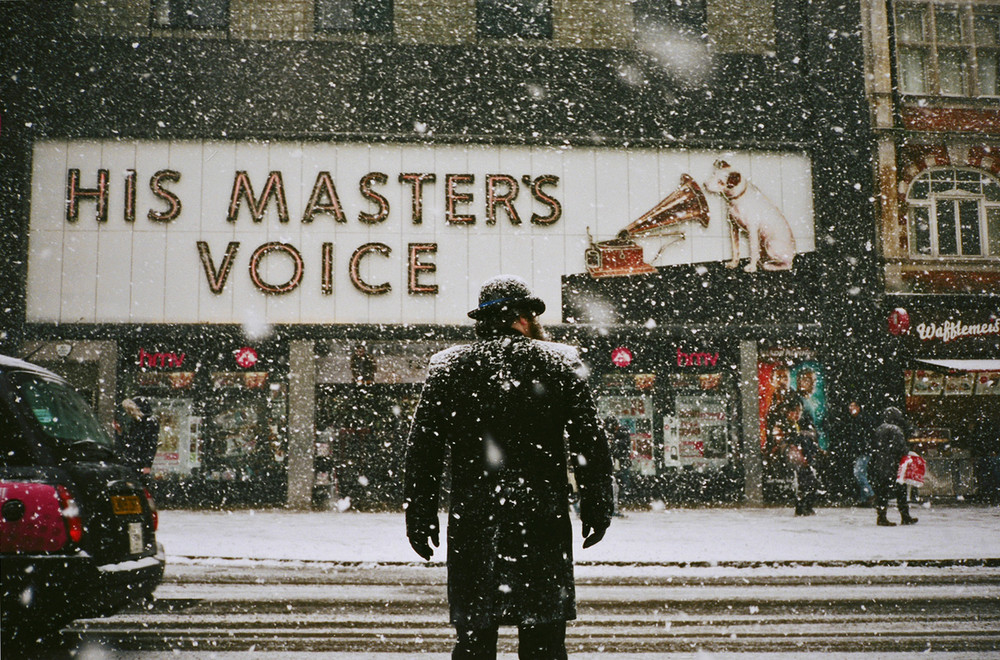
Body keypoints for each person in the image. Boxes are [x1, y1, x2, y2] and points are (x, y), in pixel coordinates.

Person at [404, 275, 614, 660]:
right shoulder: (561, 362)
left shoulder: (449, 367)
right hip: (542, 521)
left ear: (482, 323)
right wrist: (597, 503)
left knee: (474, 642)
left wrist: (420, 512)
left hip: (475, 522)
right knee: (544, 643)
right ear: (524, 317)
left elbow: (424, 449)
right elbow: (590, 442)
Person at [868, 406, 917, 527]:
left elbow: (872, 446)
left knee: (882, 493)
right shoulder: (896, 430)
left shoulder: (879, 429)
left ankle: (882, 516)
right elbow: (900, 448)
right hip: (893, 465)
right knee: (901, 491)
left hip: (880, 464)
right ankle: (905, 516)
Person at [773, 395, 822, 516]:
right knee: (801, 482)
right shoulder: (783, 425)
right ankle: (801, 506)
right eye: (794, 411)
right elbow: (781, 442)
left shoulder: (803, 424)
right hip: (793, 460)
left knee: (810, 481)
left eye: (799, 411)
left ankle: (806, 505)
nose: (797, 414)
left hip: (804, 458)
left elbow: (813, 435)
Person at [116, 397, 160, 475]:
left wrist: (147, 465)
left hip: (138, 460)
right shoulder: (137, 422)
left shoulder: (148, 422)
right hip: (134, 460)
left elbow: (151, 444)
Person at [842, 401, 875, 506]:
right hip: (862, 450)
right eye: (850, 406)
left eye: (853, 406)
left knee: (858, 473)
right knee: (861, 473)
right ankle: (864, 498)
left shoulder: (861, 420)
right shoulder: (857, 420)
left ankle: (870, 495)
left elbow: (863, 436)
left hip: (863, 451)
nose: (851, 408)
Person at [605, 416, 632, 516]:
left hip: (620, 462)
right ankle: (614, 508)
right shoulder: (614, 434)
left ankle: (616, 507)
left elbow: (622, 447)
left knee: (619, 486)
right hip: (616, 463)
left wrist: (614, 444)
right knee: (614, 487)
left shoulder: (622, 433)